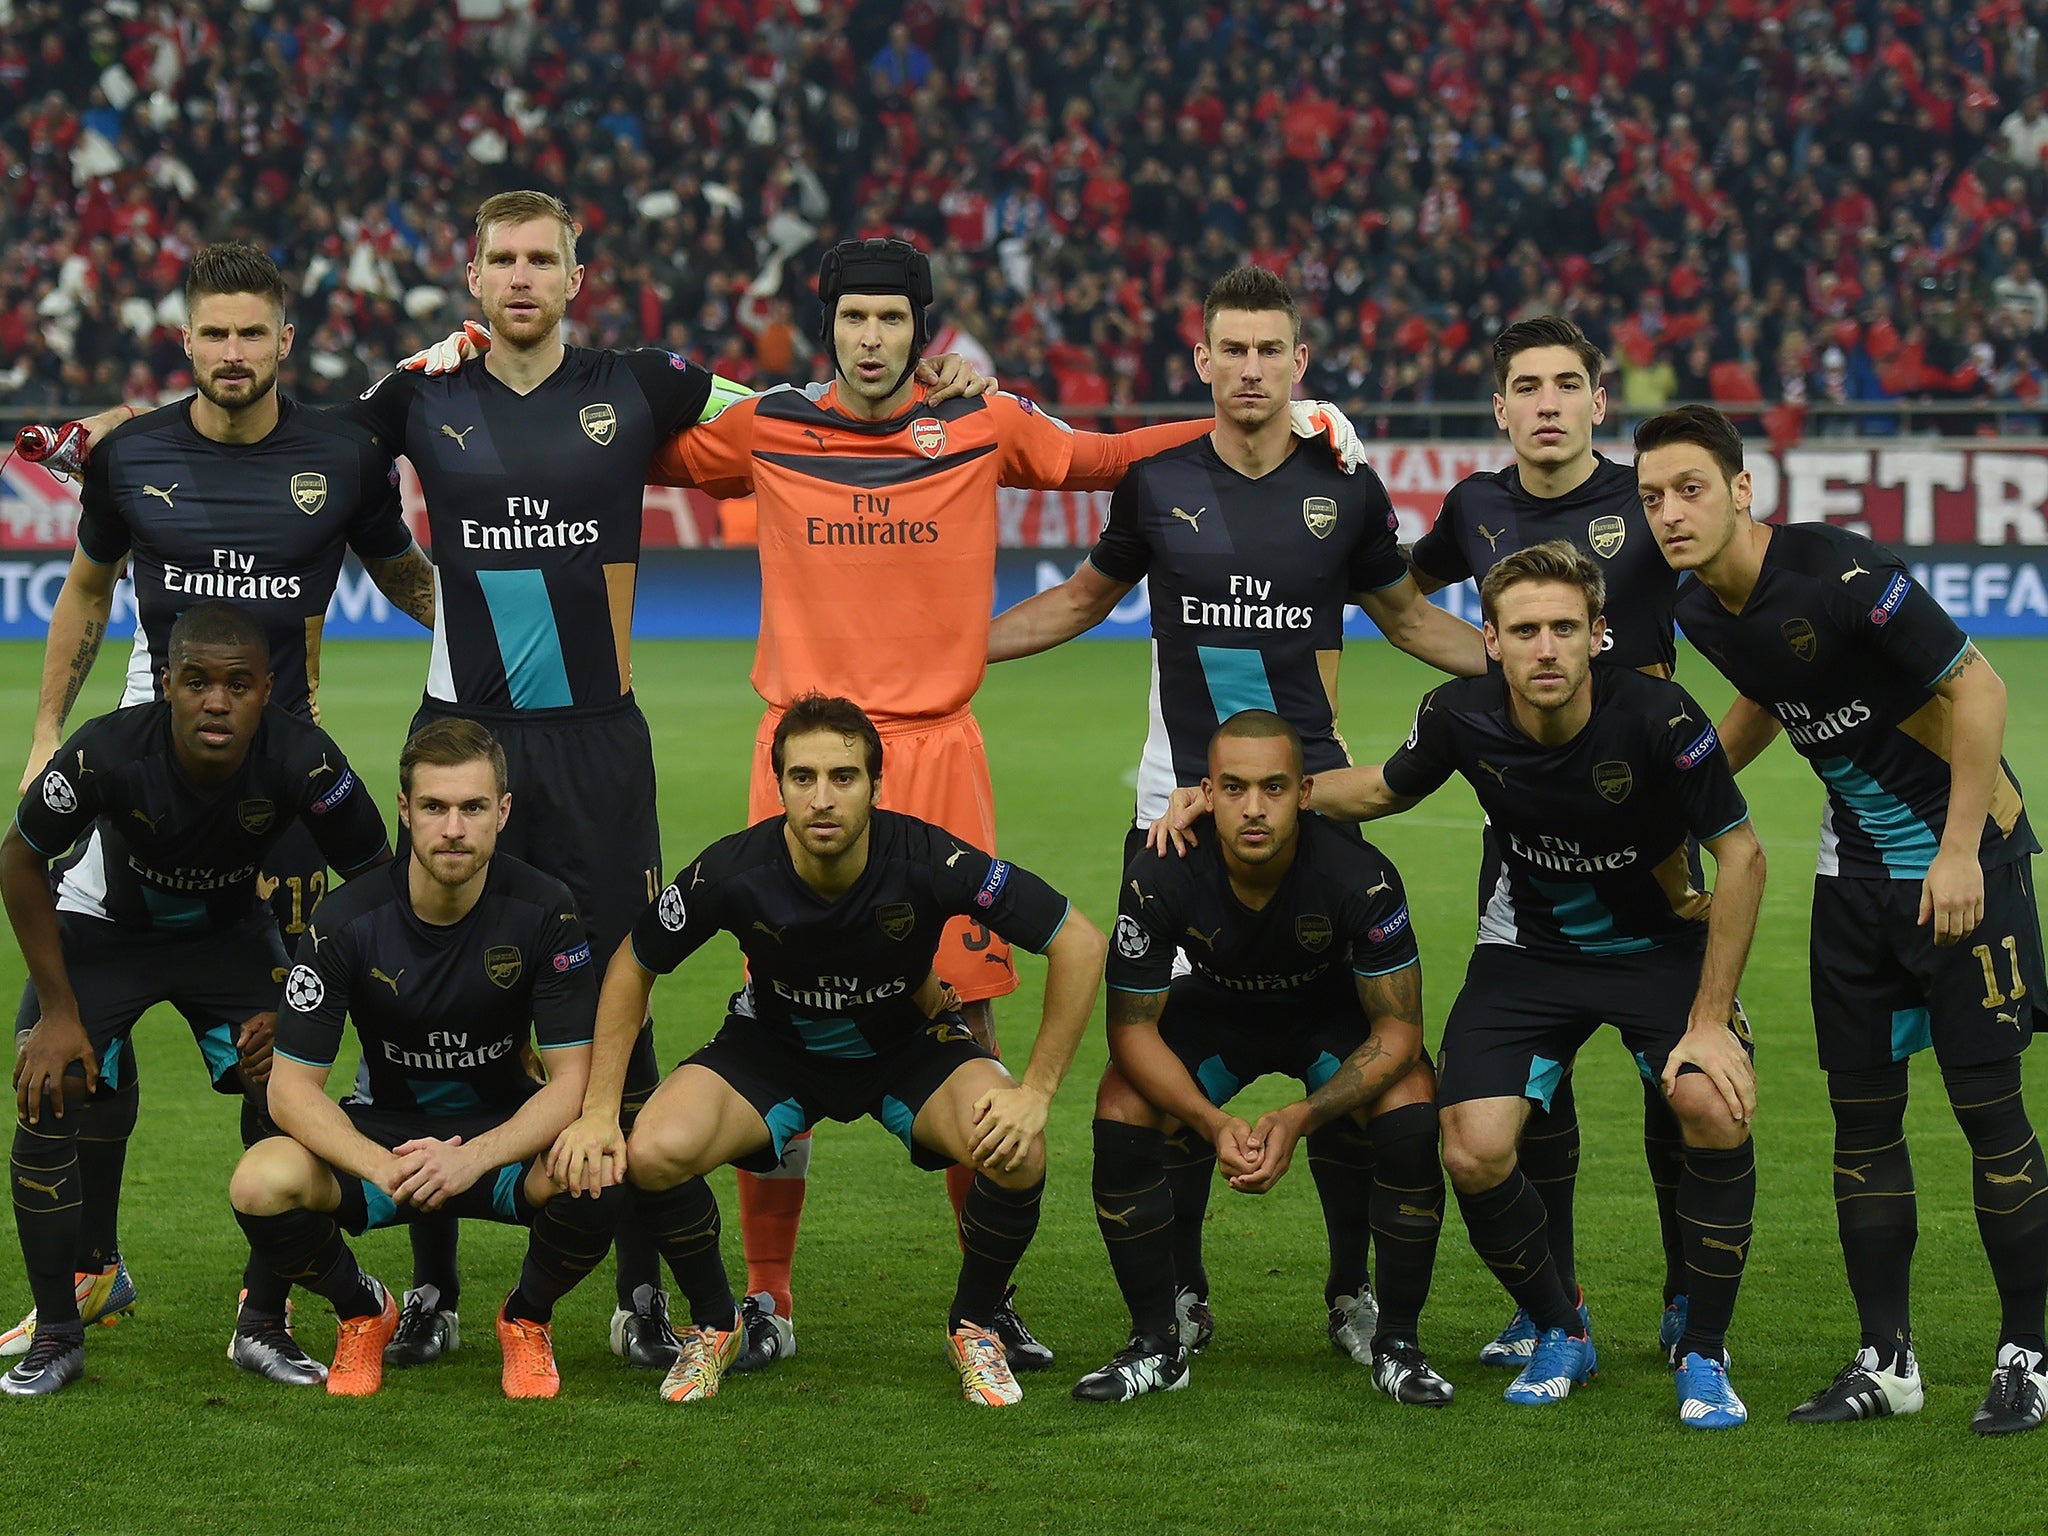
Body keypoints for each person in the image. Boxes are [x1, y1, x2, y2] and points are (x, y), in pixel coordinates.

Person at [628, 238, 1367, 1373]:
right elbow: (631, 447)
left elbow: (1105, 457)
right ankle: (768, 1297)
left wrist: (1282, 425)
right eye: (853, 319)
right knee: (775, 1019)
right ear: (825, 325)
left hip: (934, 756)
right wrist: (519, 357)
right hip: (803, 761)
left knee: (964, 1029)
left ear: (924, 328)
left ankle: (989, 1299)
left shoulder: (980, 422)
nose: (871, 339)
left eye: (892, 319)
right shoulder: (768, 424)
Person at [987, 264, 1483, 1364]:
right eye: (1232, 349)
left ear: (1297, 365)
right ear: (1200, 361)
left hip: (1307, 808)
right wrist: (940, 649)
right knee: (1154, 1064)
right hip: (1176, 813)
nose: (1250, 367)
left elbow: (1406, 618)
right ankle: (1182, 1297)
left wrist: (1524, 666)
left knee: (1364, 1068)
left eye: (1271, 350)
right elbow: (1077, 600)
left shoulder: (1343, 489)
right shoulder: (1156, 483)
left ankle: (1353, 1295)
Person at [1164, 540, 1766, 1427]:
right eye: (1525, 630)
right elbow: (1380, 789)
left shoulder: (1663, 718)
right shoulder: (1457, 713)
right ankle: (1564, 1326)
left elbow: (1741, 854)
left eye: (1566, 627)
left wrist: (1710, 1021)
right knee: (1472, 1147)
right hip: (1528, 954)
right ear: (1491, 641)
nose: (1547, 648)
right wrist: (1229, 794)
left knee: (1708, 1104)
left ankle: (1705, 1354)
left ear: (1601, 636)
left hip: (1659, 953)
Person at [0, 244, 433, 1372]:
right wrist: (50, 730)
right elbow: (89, 588)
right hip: (151, 740)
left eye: (254, 333)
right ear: (184, 342)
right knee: (88, 1010)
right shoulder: (132, 454)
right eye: (215, 333)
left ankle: (268, 1310)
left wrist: (500, 646)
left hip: (283, 773)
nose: (234, 353)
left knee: (274, 1059)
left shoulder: (341, 452)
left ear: (285, 340)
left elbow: (403, 575)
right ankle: (89, 1273)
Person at [1638, 403, 2048, 1436]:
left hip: (1967, 867)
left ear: (1741, 490)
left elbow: (1979, 687)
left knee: (1985, 1118)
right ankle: (1887, 1361)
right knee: (1860, 1127)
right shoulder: (1698, 610)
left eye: (1689, 488)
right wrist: (1679, 804)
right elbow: (1770, 697)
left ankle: (2027, 1355)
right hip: (1852, 882)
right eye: (1650, 497)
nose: (1669, 512)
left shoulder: (1841, 576)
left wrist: (1956, 852)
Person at [546, 694, 1108, 1407]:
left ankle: (975, 1327)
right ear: (777, 784)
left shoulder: (932, 857)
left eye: (843, 777)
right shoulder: (733, 869)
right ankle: (717, 1325)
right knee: (653, 1150)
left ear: (877, 785)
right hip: (775, 1050)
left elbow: (1080, 943)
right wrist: (599, 1110)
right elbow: (632, 962)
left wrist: (1037, 1093)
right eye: (802, 777)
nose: (822, 797)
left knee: (1017, 1148)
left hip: (907, 1048)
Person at [0, 602, 391, 1395]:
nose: (217, 701)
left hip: (227, 935)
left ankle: (263, 1326)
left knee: (285, 1087)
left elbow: (376, 884)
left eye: (238, 685)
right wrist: (59, 1012)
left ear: (267, 691)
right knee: (51, 1084)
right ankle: (59, 1334)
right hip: (106, 929)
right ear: (168, 686)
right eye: (199, 683)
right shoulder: (107, 752)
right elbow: (18, 859)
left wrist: (299, 1007)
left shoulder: (306, 759)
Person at [1404, 314, 1694, 1369]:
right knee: (1536, 1076)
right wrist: (1486, 674)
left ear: (1595, 401)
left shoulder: (1644, 503)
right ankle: (1550, 1303)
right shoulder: (1472, 506)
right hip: (1522, 833)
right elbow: (1395, 590)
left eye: (1564, 383)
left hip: (1651, 838)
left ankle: (1680, 1290)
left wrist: (1702, 783)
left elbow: (1733, 627)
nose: (1544, 403)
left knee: (1676, 1077)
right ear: (1498, 408)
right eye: (1524, 386)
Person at [229, 717, 623, 1398]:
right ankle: (364, 1310)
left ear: (502, 812)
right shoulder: (346, 920)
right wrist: (386, 1167)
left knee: (598, 1170)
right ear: (405, 812)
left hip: (499, 1140)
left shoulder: (544, 909)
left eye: (473, 808)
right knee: (259, 1182)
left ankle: (526, 1318)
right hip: (387, 1140)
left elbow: (572, 1083)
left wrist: (469, 1158)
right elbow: (290, 1092)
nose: (453, 829)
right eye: (435, 808)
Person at [1079, 711, 1448, 1406]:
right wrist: (1211, 1122)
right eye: (1235, 788)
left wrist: (1304, 1114)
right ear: (1205, 792)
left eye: (1274, 788)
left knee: (1409, 1110)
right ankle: (1161, 1337)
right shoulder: (1160, 872)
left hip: (1330, 1016)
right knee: (1124, 1108)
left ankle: (1390, 1336)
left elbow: (1397, 1032)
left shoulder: (1359, 876)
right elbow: (1131, 1032)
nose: (1254, 809)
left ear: (1305, 793)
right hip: (1216, 1012)